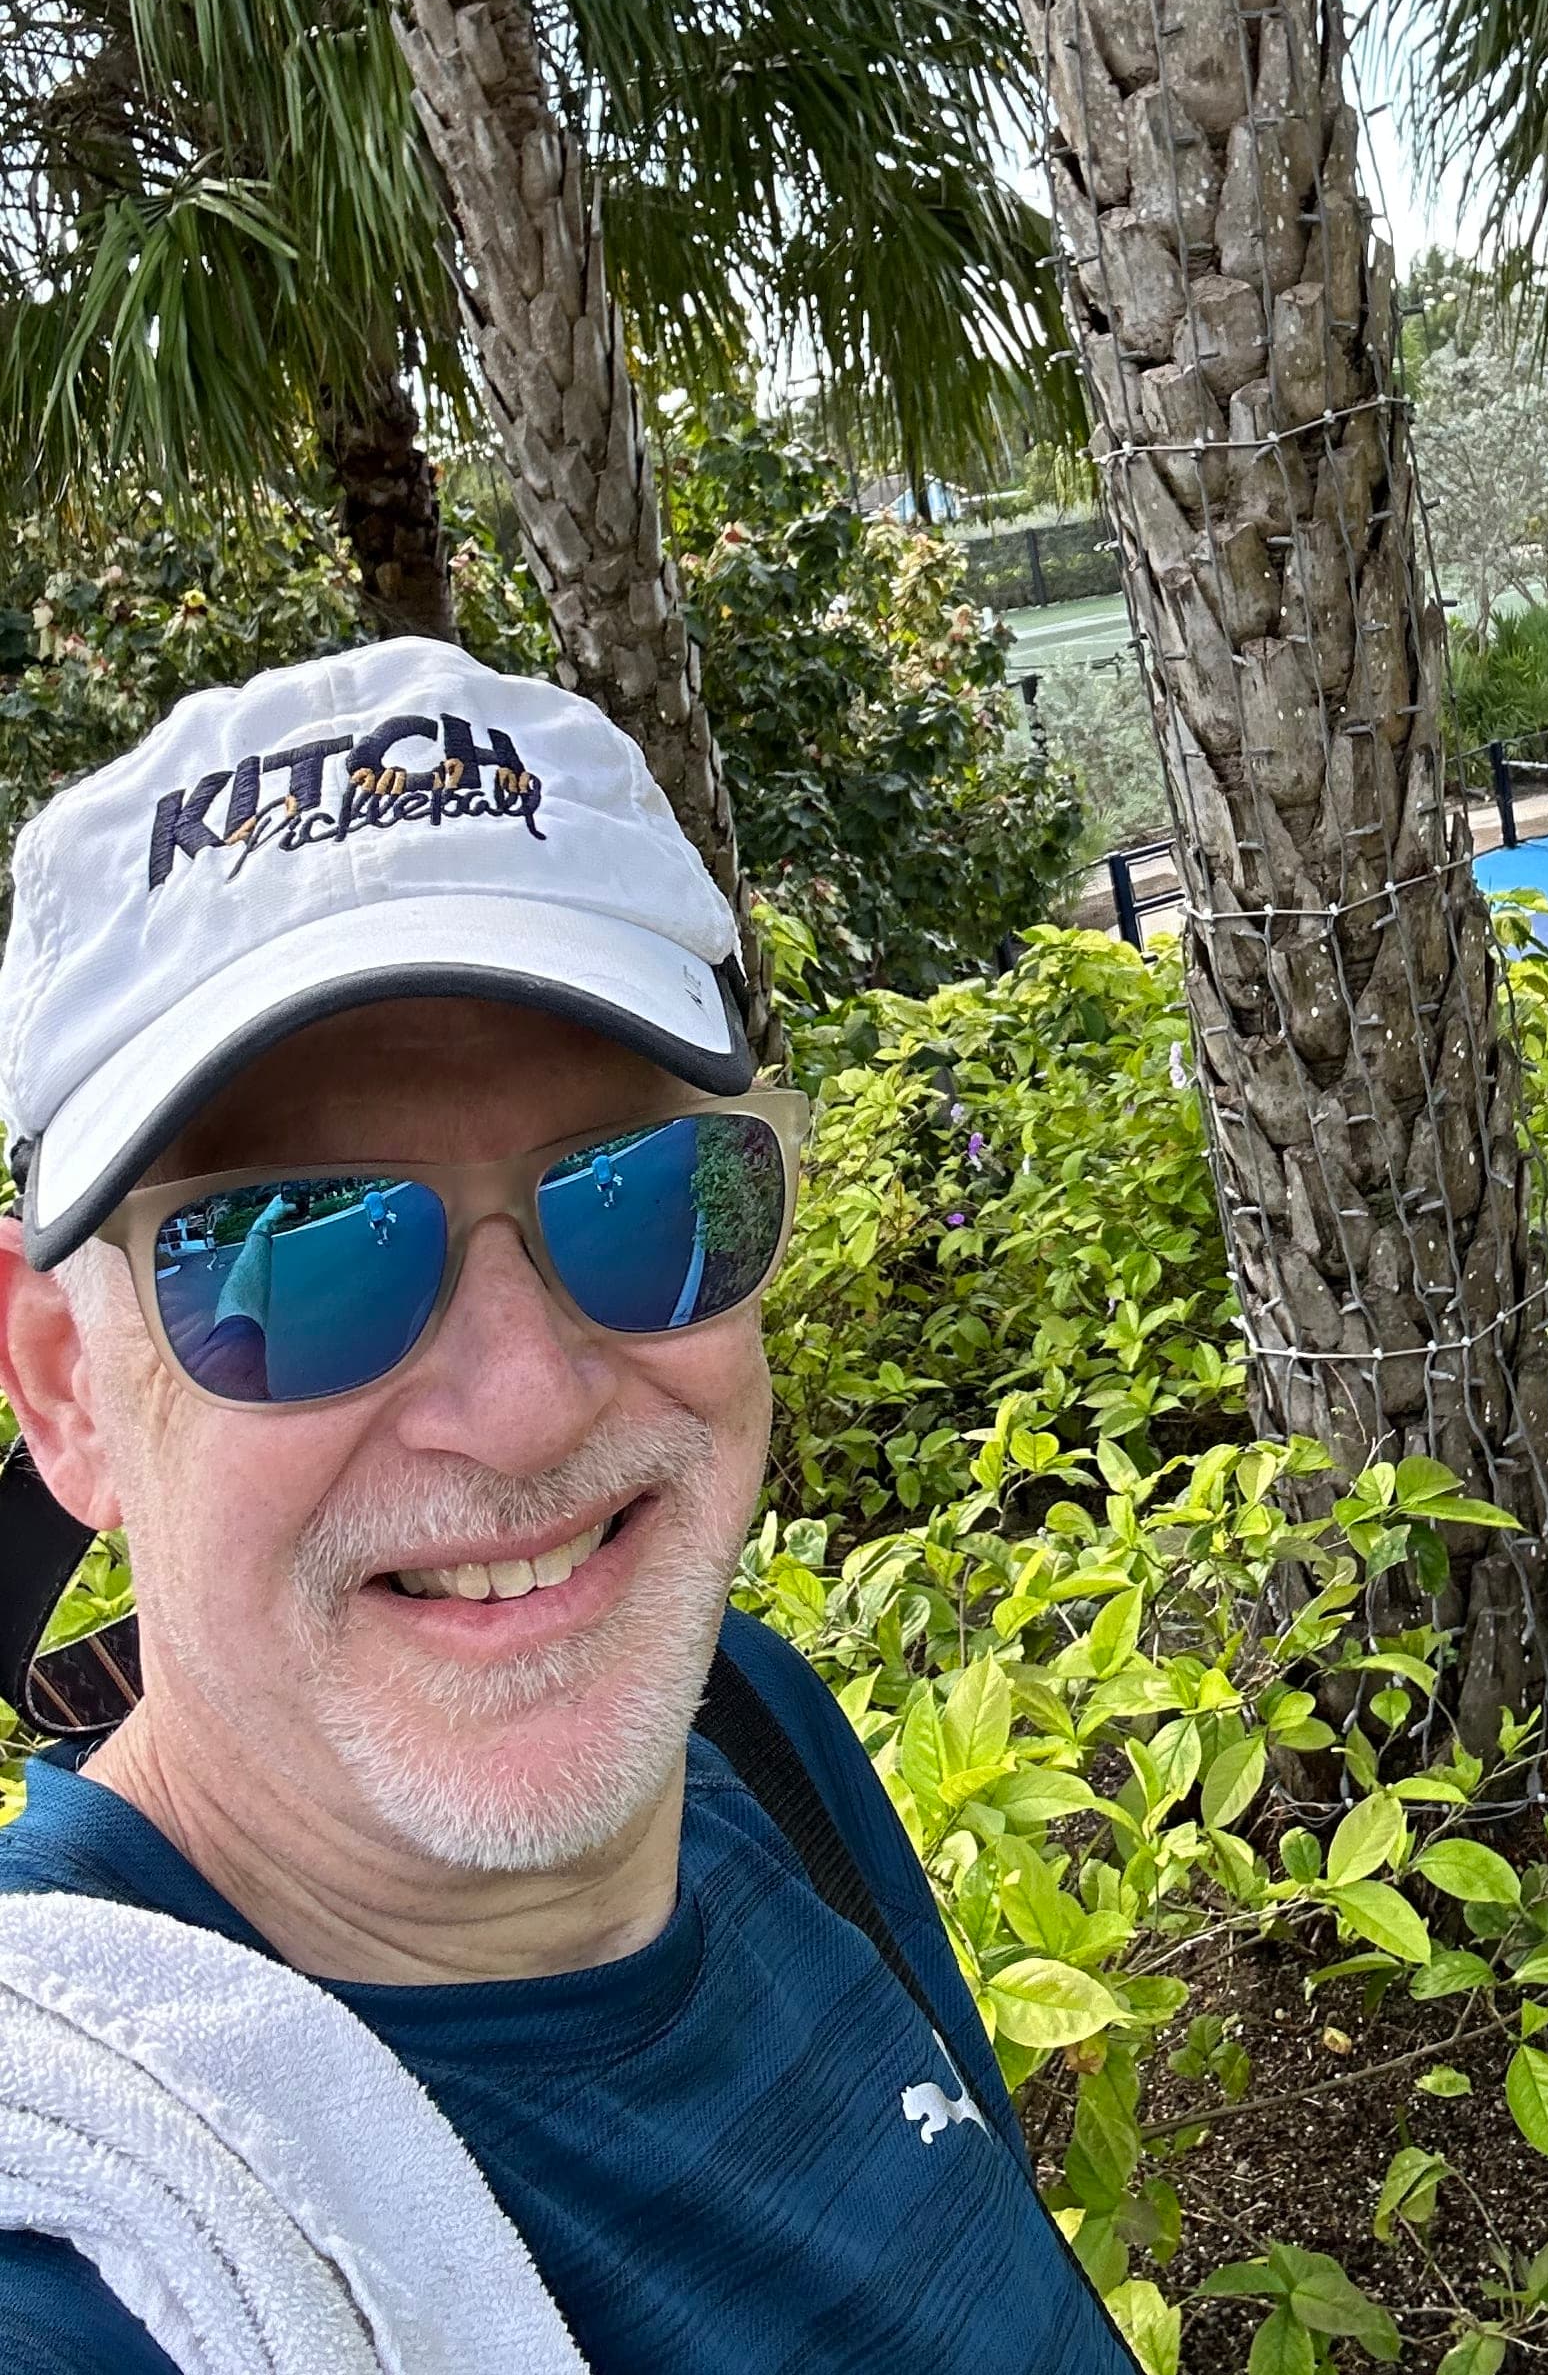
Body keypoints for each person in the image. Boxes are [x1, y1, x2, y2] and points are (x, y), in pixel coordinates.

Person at [0, 642, 1126, 2372]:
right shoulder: (93, 2236)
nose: (524, 1398)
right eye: (295, 1253)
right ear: (70, 1382)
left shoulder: (745, 1722)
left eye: (642, 1194)